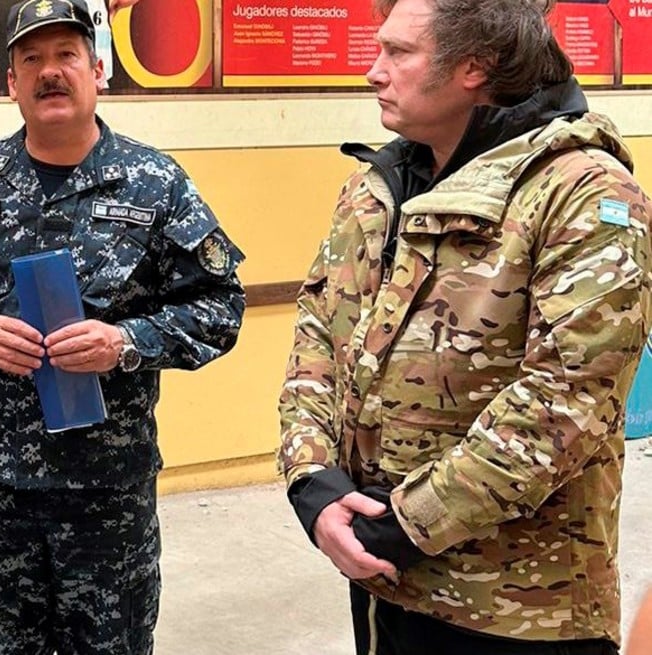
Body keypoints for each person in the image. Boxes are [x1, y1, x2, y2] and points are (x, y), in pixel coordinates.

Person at [277, 1, 652, 653]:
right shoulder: (380, 187)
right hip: (382, 579)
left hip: (516, 609)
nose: (373, 71)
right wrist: (314, 483)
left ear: (473, 68)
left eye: (399, 52)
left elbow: (564, 404)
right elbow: (318, 336)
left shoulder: (585, 193)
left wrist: (403, 523)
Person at [0, 0, 245, 651]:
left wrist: (126, 343)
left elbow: (220, 308)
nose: (49, 71)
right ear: (11, 82)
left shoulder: (154, 184)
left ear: (97, 69)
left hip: (105, 500)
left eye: (66, 55)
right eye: (31, 59)